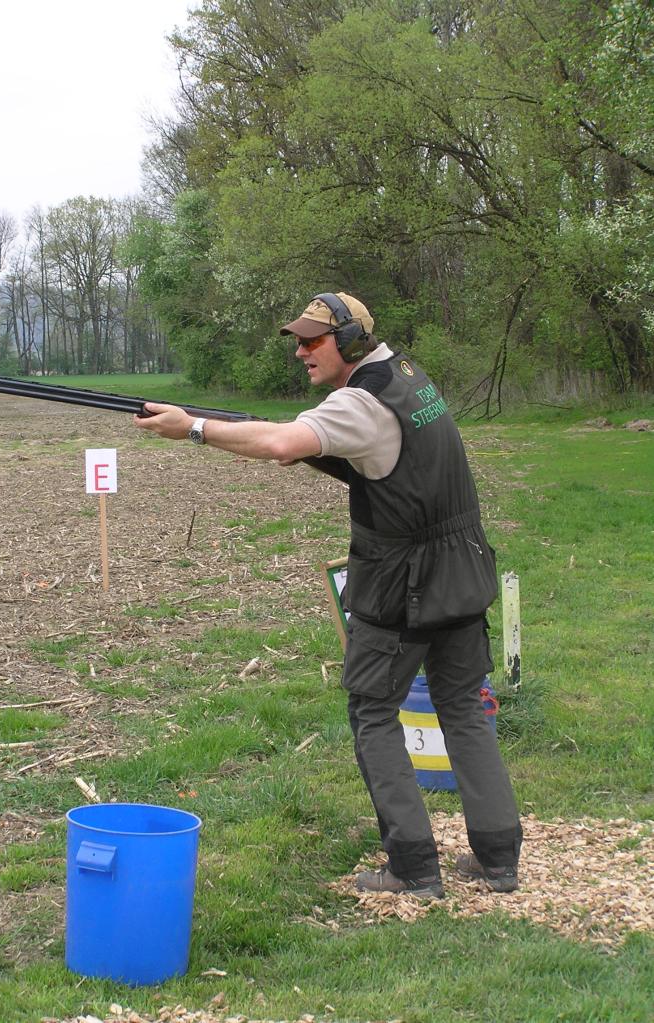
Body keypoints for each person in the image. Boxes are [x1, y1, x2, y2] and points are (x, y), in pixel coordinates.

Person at [133, 292, 522, 899]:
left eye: (313, 340)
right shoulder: (408, 377)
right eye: (300, 340)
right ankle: (500, 860)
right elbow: (391, 461)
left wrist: (194, 428)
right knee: (464, 709)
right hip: (462, 573)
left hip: (402, 586)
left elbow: (283, 444)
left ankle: (413, 868)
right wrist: (317, 453)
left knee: (373, 713)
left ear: (349, 341)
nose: (301, 351)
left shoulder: (359, 402)